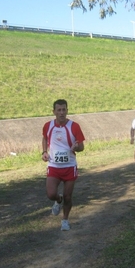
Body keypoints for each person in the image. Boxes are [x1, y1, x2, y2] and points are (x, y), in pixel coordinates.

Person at [41, 99, 85, 231]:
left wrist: (76, 147)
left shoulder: (74, 126)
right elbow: (44, 138)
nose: (61, 113)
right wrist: (44, 152)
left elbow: (81, 146)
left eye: (64, 110)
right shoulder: (48, 126)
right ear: (53, 111)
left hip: (70, 166)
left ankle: (65, 220)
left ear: (67, 110)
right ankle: (57, 201)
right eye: (58, 110)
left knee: (68, 196)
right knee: (51, 194)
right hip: (54, 166)